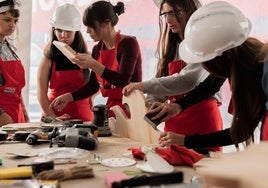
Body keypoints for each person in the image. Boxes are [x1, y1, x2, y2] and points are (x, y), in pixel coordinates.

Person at [157, 1, 268, 150]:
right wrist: (179, 106)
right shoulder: (240, 54)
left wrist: (186, 141)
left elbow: (241, 132)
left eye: (206, 62)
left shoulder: (256, 72)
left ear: (222, 57)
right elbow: (211, 84)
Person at [122, 0, 223, 152]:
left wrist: (143, 86)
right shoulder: (171, 47)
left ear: (191, 12)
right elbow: (162, 85)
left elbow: (187, 80)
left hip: (202, 119)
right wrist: (149, 104)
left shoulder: (204, 44)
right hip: (174, 121)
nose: (169, 19)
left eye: (175, 13)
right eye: (165, 14)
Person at [49, 1, 142, 117]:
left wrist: (94, 65)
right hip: (113, 109)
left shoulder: (129, 44)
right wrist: (69, 97)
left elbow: (123, 81)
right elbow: (93, 85)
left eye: (91, 26)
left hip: (132, 108)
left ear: (106, 23)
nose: (87, 31)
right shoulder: (97, 49)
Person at [37, 4, 98, 121]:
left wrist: (91, 96)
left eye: (68, 31)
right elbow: (41, 94)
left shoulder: (87, 56)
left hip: (83, 117)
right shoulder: (48, 58)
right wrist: (54, 118)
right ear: (54, 31)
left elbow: (102, 81)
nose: (63, 35)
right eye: (59, 30)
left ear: (76, 31)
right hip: (54, 117)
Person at [0, 0, 29, 126]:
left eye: (15, 21)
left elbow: (17, 91)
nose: (12, 25)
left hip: (17, 115)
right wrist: (0, 114)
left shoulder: (12, 50)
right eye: (7, 20)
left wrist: (25, 113)